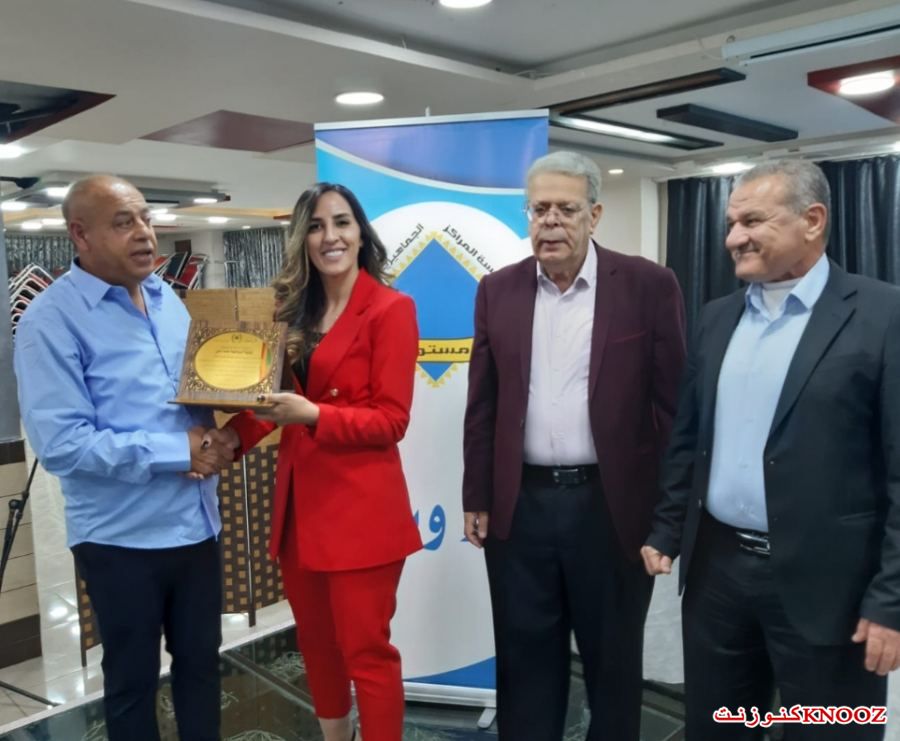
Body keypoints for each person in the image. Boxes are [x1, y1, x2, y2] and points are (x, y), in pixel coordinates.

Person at [642, 160, 900, 740]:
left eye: (753, 221)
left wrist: (892, 600)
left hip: (830, 587)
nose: (734, 238)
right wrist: (667, 526)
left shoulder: (884, 315)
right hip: (718, 576)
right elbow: (689, 440)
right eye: (731, 224)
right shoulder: (717, 318)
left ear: (813, 220)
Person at [461, 150, 687, 740]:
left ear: (595, 214)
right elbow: (483, 405)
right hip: (520, 510)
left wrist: (669, 516)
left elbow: (674, 410)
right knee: (524, 666)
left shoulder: (647, 286)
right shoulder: (497, 290)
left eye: (565, 208)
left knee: (613, 666)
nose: (551, 222)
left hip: (610, 509)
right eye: (539, 209)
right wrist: (476, 495)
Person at [13, 175, 234, 741]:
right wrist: (178, 451)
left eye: (145, 219)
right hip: (121, 540)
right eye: (123, 222)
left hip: (196, 525)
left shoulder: (168, 301)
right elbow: (63, 444)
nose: (143, 233)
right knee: (133, 684)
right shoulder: (50, 321)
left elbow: (192, 400)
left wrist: (221, 430)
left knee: (202, 669)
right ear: (80, 234)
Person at [207, 182, 422, 741]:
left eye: (342, 222)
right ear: (302, 239)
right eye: (317, 226)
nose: (331, 236)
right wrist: (228, 442)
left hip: (361, 515)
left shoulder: (392, 309)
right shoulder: (291, 312)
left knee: (367, 652)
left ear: (361, 233)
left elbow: (391, 421)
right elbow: (270, 405)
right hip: (300, 513)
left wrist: (315, 415)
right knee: (317, 646)